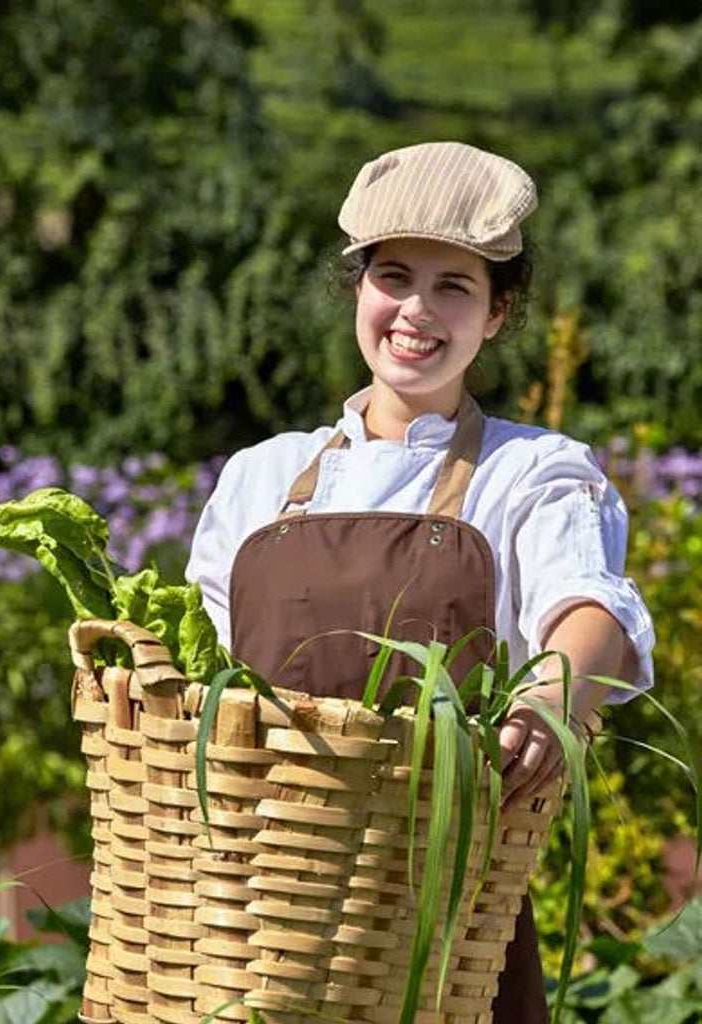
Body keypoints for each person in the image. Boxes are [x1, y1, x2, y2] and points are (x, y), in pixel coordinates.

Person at [187, 141, 654, 1023]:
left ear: (498, 314)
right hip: (257, 915)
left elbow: (591, 610)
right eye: (393, 277)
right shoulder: (262, 476)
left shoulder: (534, 470)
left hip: (446, 919)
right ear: (357, 289)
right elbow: (207, 673)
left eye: (454, 288)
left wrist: (548, 701)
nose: (415, 311)